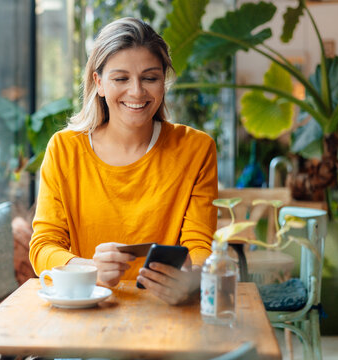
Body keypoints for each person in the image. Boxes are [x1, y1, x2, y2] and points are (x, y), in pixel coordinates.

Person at [29, 17, 218, 305]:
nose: (137, 92)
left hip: (166, 315)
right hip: (85, 315)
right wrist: (89, 270)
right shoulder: (64, 149)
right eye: (121, 79)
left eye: (150, 78)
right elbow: (43, 246)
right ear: (99, 82)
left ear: (163, 82)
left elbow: (200, 246)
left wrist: (191, 281)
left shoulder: (197, 149)